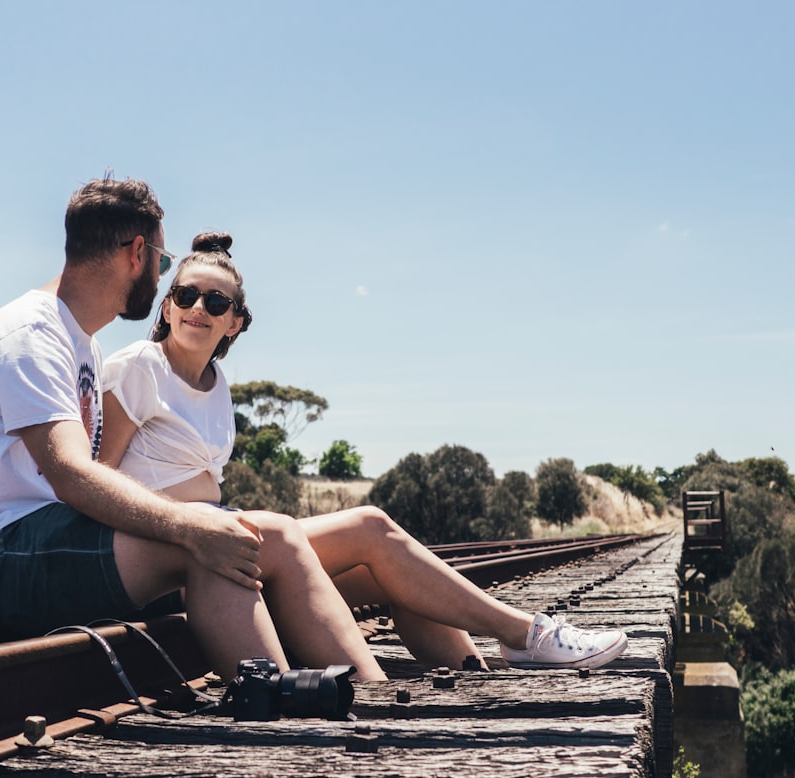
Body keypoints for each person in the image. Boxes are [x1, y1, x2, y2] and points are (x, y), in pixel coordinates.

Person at [0, 177, 388, 682]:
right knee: (219, 537)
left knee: (253, 537)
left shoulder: (80, 342)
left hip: (40, 539)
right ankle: (277, 708)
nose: (162, 275)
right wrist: (189, 524)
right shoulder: (31, 334)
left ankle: (365, 698)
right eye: (165, 264)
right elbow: (72, 474)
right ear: (137, 253)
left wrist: (197, 524)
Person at [99, 231, 629, 673]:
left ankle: (471, 678)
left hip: (230, 537)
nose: (198, 309)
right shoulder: (139, 366)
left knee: (393, 575)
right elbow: (98, 480)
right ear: (167, 305)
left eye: (215, 303)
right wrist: (182, 530)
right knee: (371, 526)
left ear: (234, 322)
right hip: (177, 552)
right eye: (186, 296)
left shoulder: (215, 385)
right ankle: (521, 635)